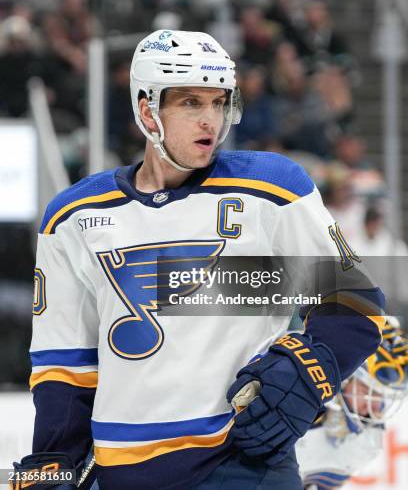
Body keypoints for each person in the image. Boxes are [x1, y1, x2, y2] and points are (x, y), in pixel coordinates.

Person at [13, 30, 384, 489]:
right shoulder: (73, 216)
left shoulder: (272, 190)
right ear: (148, 110)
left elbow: (356, 301)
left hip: (243, 468)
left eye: (218, 102)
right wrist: (55, 461)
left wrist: (310, 369)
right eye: (190, 103)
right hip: (122, 473)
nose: (210, 119)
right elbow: (65, 363)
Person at [297, 316, 408, 489]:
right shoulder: (293, 398)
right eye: (368, 392)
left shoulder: (365, 443)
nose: (374, 407)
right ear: (344, 379)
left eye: (382, 398)